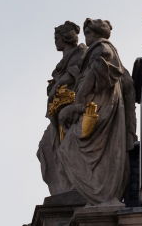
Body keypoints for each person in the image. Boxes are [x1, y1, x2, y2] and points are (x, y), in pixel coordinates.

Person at [57, 18, 137, 205]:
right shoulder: (109, 52)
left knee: (70, 147)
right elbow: (127, 83)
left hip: (98, 109)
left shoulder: (100, 50)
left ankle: (98, 194)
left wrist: (76, 104)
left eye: (88, 34)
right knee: (96, 150)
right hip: (106, 107)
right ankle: (100, 193)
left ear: (94, 34)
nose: (86, 38)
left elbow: (91, 80)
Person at [37, 21, 86, 195]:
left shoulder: (81, 52)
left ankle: (72, 185)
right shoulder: (65, 59)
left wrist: (58, 84)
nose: (55, 41)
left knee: (66, 147)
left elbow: (75, 74)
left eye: (57, 37)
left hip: (70, 110)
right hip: (58, 110)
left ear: (64, 37)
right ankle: (63, 186)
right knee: (47, 148)